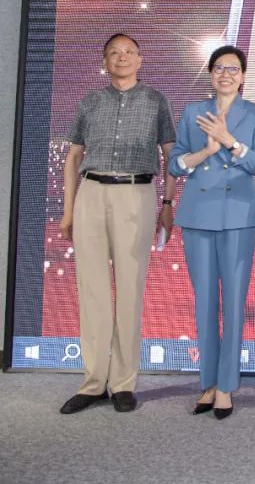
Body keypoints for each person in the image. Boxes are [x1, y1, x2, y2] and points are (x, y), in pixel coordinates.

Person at [58, 33, 176, 414]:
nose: (121, 57)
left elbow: (170, 154)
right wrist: (69, 210)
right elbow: (74, 157)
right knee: (91, 289)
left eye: (128, 52)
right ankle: (93, 382)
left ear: (140, 60)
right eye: (114, 53)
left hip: (136, 193)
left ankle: (123, 383)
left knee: (130, 288)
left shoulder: (156, 101)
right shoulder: (90, 101)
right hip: (92, 192)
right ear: (105, 62)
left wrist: (168, 202)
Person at [168, 45, 255, 419]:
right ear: (210, 74)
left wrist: (230, 141)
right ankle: (208, 382)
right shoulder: (193, 111)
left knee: (234, 302)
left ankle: (226, 385)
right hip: (198, 213)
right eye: (219, 68)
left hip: (238, 214)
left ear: (243, 76)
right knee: (205, 301)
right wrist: (205, 152)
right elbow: (175, 164)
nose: (226, 74)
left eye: (233, 68)